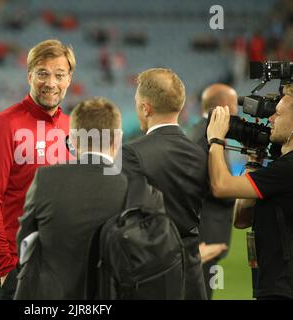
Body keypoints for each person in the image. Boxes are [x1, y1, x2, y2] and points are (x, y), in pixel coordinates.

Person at [15, 97, 162, 299]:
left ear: (73, 140)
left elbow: (24, 242)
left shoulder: (46, 179)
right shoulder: (142, 190)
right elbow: (152, 262)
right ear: (118, 139)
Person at [0, 39, 76, 300]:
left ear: (69, 79)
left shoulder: (73, 128)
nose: (51, 83)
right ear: (29, 75)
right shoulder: (4, 125)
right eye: (42, 73)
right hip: (18, 268)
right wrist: (5, 266)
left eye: (59, 75)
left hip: (64, 270)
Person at [122, 68, 209, 299]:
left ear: (146, 108)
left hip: (149, 278)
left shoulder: (130, 154)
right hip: (192, 277)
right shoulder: (202, 153)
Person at [206, 84, 293, 300]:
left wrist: (216, 140)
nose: (271, 119)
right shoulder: (281, 166)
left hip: (284, 286)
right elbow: (242, 219)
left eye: (278, 114)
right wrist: (253, 162)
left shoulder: (288, 168)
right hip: (273, 283)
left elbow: (220, 185)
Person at [188, 83, 238, 299]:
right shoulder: (207, 136)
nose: (236, 112)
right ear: (225, 106)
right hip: (204, 234)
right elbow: (215, 186)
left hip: (204, 231)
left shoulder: (201, 131)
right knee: (201, 293)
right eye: (235, 105)